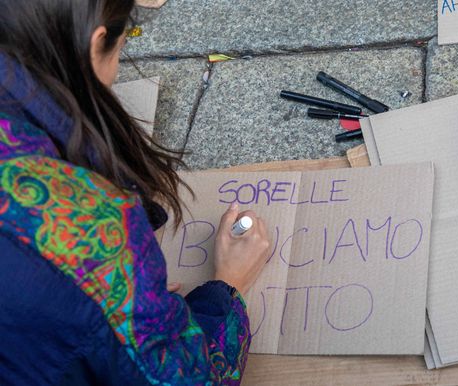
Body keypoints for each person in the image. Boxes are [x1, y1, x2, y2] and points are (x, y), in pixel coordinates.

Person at [0, 1, 271, 385]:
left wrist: (130, 305)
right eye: (124, 45)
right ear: (97, 43)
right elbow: (188, 379)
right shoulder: (88, 230)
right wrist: (229, 286)